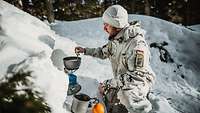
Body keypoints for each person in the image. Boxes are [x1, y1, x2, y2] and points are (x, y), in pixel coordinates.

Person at [75, 5, 155, 113]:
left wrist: (108, 83)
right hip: (123, 82)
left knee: (126, 96)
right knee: (107, 94)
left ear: (117, 25)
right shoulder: (117, 39)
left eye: (107, 25)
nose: (104, 28)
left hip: (138, 84)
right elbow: (103, 52)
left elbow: (137, 77)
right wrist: (85, 50)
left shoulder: (136, 44)